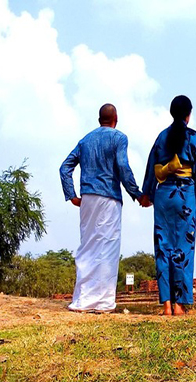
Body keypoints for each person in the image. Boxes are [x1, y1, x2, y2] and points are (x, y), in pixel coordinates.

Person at [60, 104, 150, 313]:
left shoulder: (85, 140)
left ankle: (82, 300)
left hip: (88, 198)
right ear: (115, 119)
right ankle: (103, 302)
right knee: (107, 247)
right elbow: (123, 167)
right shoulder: (119, 138)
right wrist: (137, 194)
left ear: (99, 119)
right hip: (109, 197)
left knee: (88, 245)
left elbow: (65, 167)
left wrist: (71, 195)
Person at [142, 95, 196, 316]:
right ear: (188, 114)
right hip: (186, 195)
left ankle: (166, 305)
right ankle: (179, 305)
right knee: (184, 250)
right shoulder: (195, 138)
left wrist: (147, 195)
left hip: (164, 196)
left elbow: (151, 170)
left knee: (163, 248)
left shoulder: (161, 137)